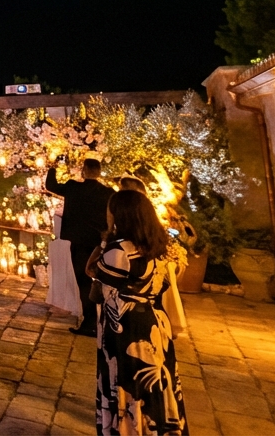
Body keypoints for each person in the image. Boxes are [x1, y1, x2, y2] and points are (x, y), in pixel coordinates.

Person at [92, 191, 189, 435]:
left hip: (126, 324)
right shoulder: (160, 245)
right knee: (156, 383)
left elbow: (94, 277)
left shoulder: (119, 251)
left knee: (127, 381)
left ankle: (129, 429)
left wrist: (104, 241)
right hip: (155, 320)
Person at [47, 158, 115, 336]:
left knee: (84, 282)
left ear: (84, 171)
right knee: (101, 281)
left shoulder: (73, 187)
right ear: (99, 172)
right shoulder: (107, 192)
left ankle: (90, 321)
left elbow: (50, 185)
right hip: (99, 243)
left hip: (78, 241)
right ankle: (101, 320)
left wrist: (52, 166)